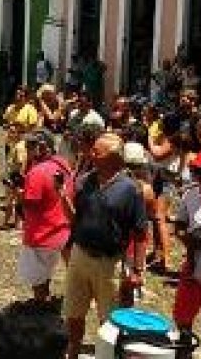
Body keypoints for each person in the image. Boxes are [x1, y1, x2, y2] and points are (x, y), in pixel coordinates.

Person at [63, 132, 149, 359]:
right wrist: (63, 198)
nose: (91, 153)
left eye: (96, 152)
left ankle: (106, 355)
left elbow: (140, 233)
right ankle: (72, 352)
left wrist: (138, 270)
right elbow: (76, 218)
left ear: (113, 158)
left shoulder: (131, 189)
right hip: (80, 256)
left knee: (109, 320)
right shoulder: (86, 181)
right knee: (73, 312)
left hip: (109, 263)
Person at [18, 129, 72, 303]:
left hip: (41, 233)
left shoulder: (37, 172)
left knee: (37, 275)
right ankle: (45, 298)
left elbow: (31, 204)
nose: (27, 149)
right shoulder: (63, 165)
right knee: (46, 269)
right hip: (61, 229)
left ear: (42, 147)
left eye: (30, 146)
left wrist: (18, 194)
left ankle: (41, 304)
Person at [172, 154, 201, 358]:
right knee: (183, 314)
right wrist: (188, 238)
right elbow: (180, 224)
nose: (198, 177)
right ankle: (184, 352)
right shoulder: (191, 194)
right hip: (194, 264)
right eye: (195, 172)